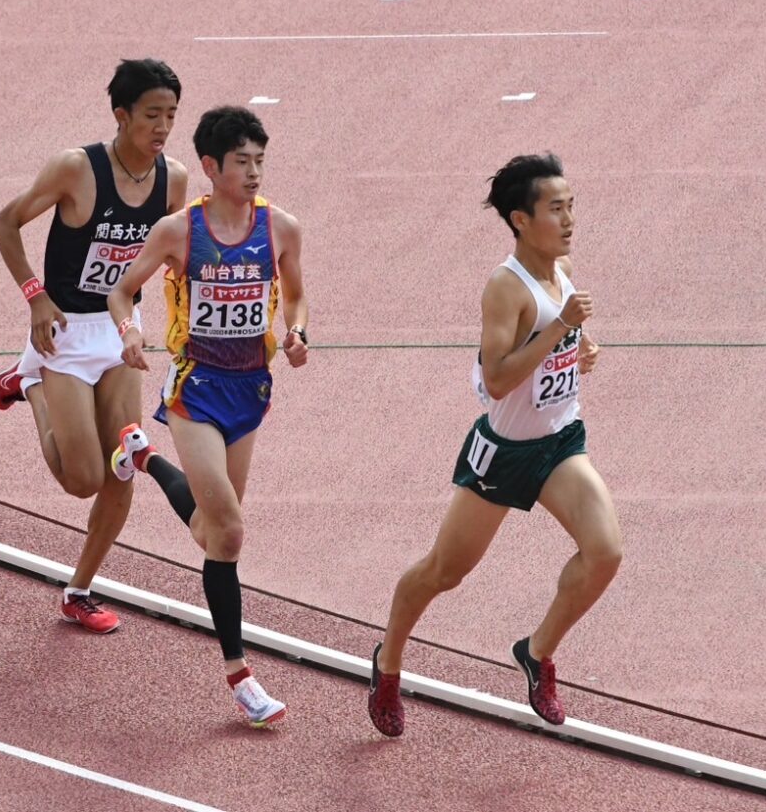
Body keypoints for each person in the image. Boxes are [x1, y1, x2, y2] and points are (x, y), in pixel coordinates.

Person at [367, 152, 620, 737]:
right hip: (503, 454)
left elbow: (558, 340)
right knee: (443, 572)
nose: (568, 219)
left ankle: (537, 652)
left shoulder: (561, 270)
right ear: (520, 220)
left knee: (604, 551)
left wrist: (583, 347)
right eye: (555, 209)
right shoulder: (506, 288)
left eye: (571, 206)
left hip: (559, 442)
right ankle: (388, 663)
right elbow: (500, 377)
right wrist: (561, 329)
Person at [107, 105, 308, 727]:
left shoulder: (280, 227)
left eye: (259, 162)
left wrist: (296, 331)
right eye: (241, 163)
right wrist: (130, 331)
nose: (253, 173)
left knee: (212, 531)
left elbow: (295, 293)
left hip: (251, 389)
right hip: (194, 389)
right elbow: (122, 289)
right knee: (231, 533)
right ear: (212, 167)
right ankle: (240, 676)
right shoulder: (178, 231)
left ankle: (140, 454)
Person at [0, 58, 190, 633]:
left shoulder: (172, 179)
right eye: (152, 115)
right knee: (81, 480)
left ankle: (79, 590)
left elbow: (171, 255)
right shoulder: (76, 169)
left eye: (171, 116)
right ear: (121, 115)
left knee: (121, 463)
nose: (162, 127)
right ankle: (27, 382)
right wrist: (36, 298)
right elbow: (5, 225)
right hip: (66, 334)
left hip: (119, 332)